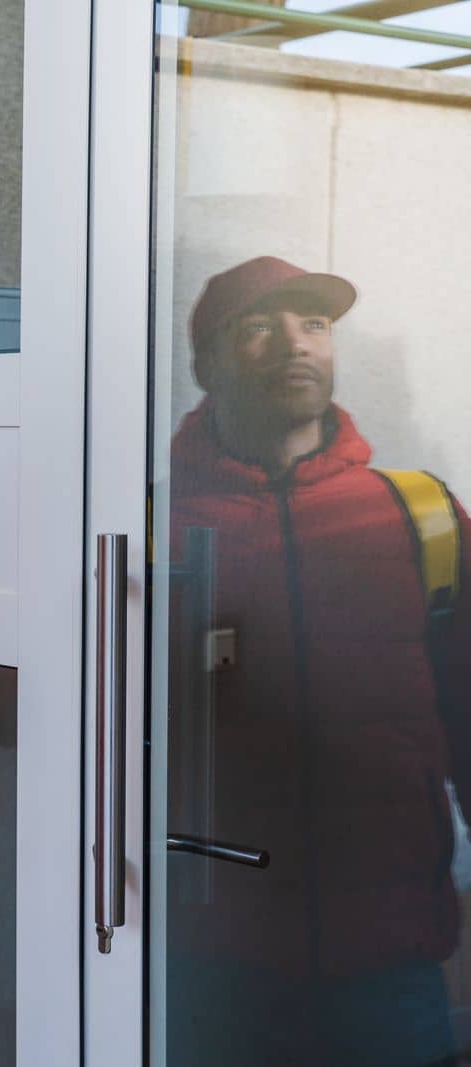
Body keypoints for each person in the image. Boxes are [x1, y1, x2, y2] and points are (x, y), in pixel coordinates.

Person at [166, 255, 471, 1066]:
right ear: (207, 362)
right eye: (260, 325)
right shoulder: (145, 521)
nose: (295, 343)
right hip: (207, 959)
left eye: (315, 324)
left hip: (390, 956)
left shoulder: (421, 515)